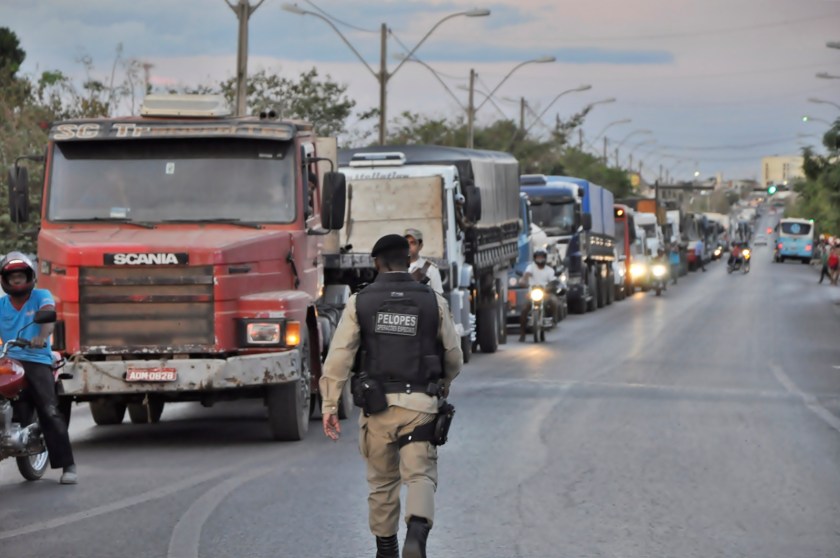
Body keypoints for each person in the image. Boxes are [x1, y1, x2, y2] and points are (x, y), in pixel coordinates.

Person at [320, 234, 463, 558]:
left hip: (378, 409)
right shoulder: (432, 300)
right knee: (420, 475)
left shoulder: (360, 301)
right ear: (408, 260)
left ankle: (387, 550)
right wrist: (444, 383)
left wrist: (329, 404)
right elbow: (454, 356)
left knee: (382, 484)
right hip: (421, 406)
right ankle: (416, 535)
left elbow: (339, 356)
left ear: (377, 263)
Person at [0, 252, 77, 484]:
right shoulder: (1, 305)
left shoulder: (41, 296)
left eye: (20, 276)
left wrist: (41, 337)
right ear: (5, 280)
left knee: (49, 409)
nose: (16, 280)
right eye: (12, 277)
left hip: (36, 358)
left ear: (30, 276)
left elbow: (48, 318)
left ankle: (68, 465)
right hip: (7, 359)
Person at [518, 249, 558, 342]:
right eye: (538, 257)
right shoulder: (531, 267)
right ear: (535, 258)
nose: (540, 259)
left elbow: (553, 281)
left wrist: (552, 287)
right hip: (532, 293)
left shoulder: (549, 270)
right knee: (524, 309)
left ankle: (552, 320)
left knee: (554, 301)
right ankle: (522, 334)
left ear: (545, 258)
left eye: (541, 257)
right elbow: (526, 275)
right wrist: (523, 280)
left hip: (545, 293)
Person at [405, 228, 444, 295]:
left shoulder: (430, 268)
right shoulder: (397, 267)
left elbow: (438, 296)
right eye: (406, 243)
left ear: (420, 246)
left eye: (413, 243)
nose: (408, 246)